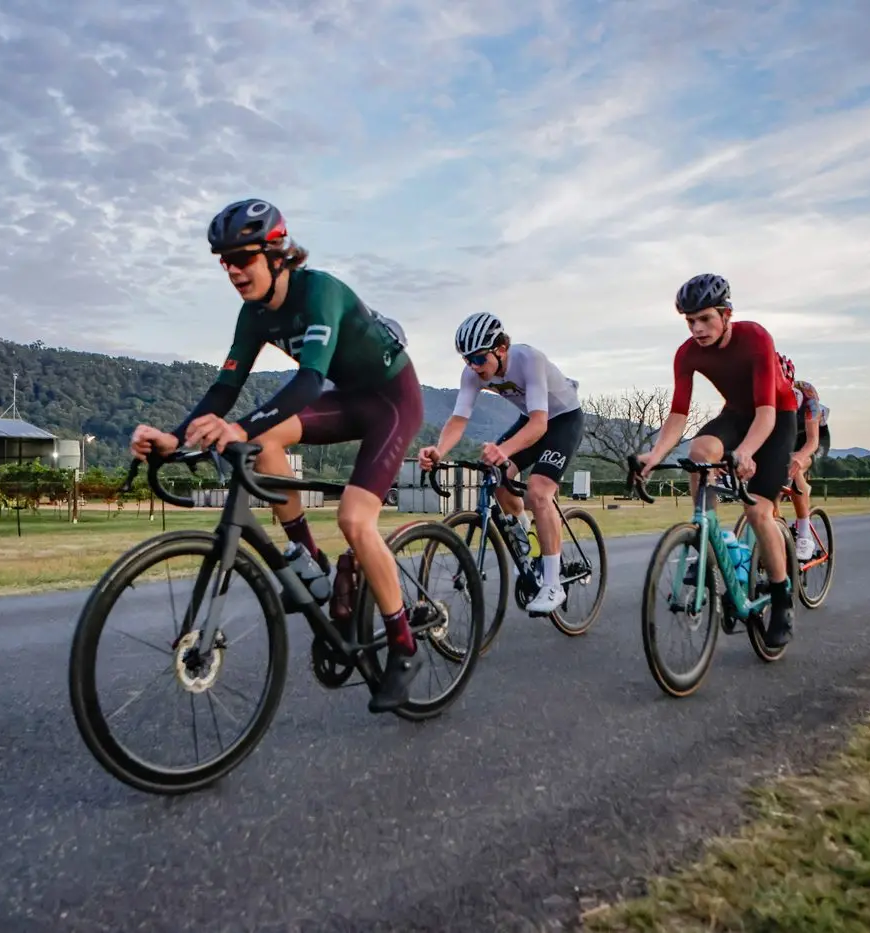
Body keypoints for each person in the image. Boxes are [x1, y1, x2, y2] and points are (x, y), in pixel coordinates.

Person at [128, 198, 426, 713]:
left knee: (356, 520)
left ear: (277, 253)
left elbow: (309, 381)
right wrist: (176, 439)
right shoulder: (253, 316)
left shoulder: (321, 293)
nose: (232, 271)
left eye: (241, 258)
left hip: (393, 401)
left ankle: (403, 645)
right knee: (261, 443)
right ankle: (309, 561)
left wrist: (238, 425)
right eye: (224, 261)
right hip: (348, 400)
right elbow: (225, 388)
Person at [631, 273, 799, 647]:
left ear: (726, 314)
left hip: (776, 415)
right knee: (699, 452)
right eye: (689, 321)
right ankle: (706, 531)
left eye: (705, 318)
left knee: (758, 512)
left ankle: (782, 596)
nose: (696, 328)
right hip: (737, 413)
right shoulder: (687, 353)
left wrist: (747, 453)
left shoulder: (755, 337)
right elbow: (677, 415)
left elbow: (766, 416)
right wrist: (655, 455)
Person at [416, 312, 583, 615]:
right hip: (531, 419)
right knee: (498, 481)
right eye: (467, 360)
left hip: (562, 420)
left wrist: (502, 449)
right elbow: (458, 419)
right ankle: (525, 545)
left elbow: (539, 425)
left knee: (538, 491)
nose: (473, 367)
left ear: (501, 348)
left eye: (479, 359)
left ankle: (552, 583)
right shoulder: (473, 373)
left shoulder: (528, 359)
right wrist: (440, 449)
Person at [780, 354, 831, 562]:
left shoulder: (807, 397)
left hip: (814, 440)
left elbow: (812, 442)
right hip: (789, 438)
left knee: (795, 465)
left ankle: (804, 534)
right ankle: (777, 530)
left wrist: (800, 458)